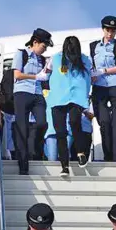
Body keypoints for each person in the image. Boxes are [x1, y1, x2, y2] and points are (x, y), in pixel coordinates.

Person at [44, 36, 92, 176]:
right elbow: (45, 74)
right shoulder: (56, 59)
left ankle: (80, 152)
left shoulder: (84, 59)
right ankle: (64, 165)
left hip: (75, 98)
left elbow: (89, 76)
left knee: (74, 122)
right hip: (58, 98)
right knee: (60, 132)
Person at [12, 28, 53, 175]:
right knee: (21, 128)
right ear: (35, 42)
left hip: (37, 94)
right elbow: (17, 74)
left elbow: (45, 76)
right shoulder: (21, 54)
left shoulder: (42, 59)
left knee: (42, 122)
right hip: (22, 92)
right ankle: (23, 163)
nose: (44, 49)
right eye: (43, 46)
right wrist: (35, 77)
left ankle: (34, 147)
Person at [90, 15, 116, 166]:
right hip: (99, 87)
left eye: (113, 30)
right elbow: (91, 65)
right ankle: (108, 154)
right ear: (103, 29)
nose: (110, 33)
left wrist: (103, 71)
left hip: (115, 85)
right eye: (107, 29)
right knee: (104, 121)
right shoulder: (94, 46)